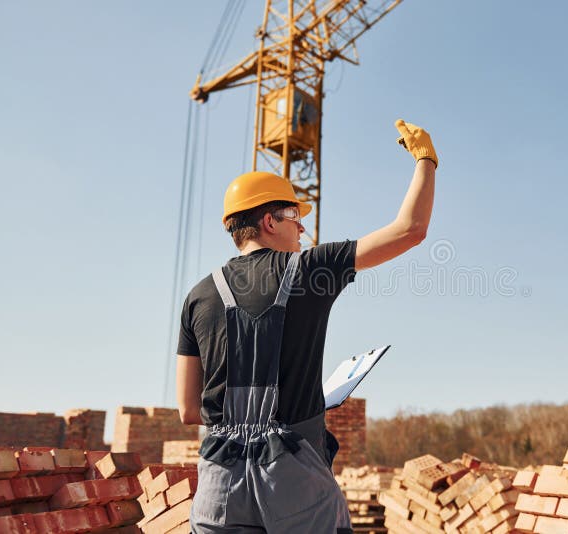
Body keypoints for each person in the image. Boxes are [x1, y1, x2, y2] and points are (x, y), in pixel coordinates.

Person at [175, 119, 437, 533]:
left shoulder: (198, 296)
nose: (301, 227)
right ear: (268, 221)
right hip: (292, 481)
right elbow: (409, 230)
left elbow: (189, 410)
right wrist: (426, 160)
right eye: (294, 215)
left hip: (218, 490)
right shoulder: (310, 269)